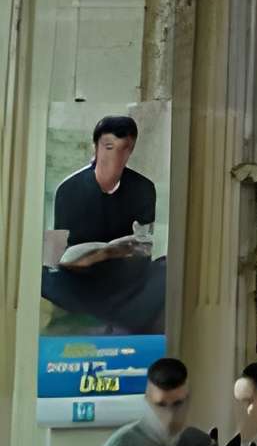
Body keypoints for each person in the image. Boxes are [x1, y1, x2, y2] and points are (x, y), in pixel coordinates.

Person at [41, 114, 165, 334]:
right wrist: (104, 252)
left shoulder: (143, 188)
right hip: (79, 282)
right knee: (43, 276)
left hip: (125, 284)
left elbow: (148, 245)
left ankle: (125, 322)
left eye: (125, 148)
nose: (116, 157)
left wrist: (133, 251)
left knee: (166, 270)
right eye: (109, 147)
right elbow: (55, 258)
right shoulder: (69, 189)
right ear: (95, 147)